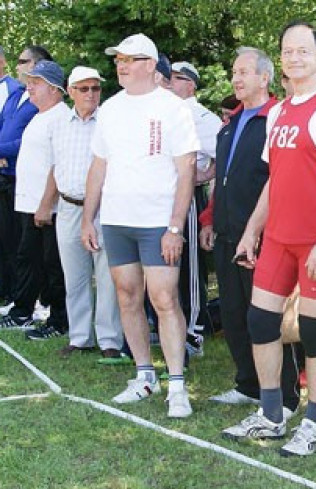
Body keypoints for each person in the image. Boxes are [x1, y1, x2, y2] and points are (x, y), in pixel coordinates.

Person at [222, 21, 316, 457]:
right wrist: (252, 231)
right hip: (279, 240)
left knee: (314, 330)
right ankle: (272, 414)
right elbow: (275, 181)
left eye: (303, 50)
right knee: (261, 323)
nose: (294, 57)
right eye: (287, 51)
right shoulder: (282, 110)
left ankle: (314, 422)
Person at [82, 33, 199, 418]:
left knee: (164, 299)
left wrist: (175, 227)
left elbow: (186, 172)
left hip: (157, 223)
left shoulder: (173, 109)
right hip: (117, 221)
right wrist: (89, 218)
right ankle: (144, 375)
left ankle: (177, 385)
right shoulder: (111, 110)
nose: (121, 65)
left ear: (150, 65)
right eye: (118, 59)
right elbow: (99, 166)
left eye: (129, 59)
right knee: (127, 296)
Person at [199, 47, 300, 411]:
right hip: (226, 236)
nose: (236, 79)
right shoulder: (228, 126)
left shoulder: (277, 120)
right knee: (233, 314)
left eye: (244, 72)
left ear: (264, 77)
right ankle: (248, 385)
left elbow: (281, 181)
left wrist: (260, 232)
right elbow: (221, 181)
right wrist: (209, 218)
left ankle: (285, 395)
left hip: (262, 238)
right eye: (234, 72)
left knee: (266, 318)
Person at [46, 66, 123, 358]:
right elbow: (56, 167)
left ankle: (110, 341)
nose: (91, 94)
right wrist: (48, 203)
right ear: (70, 91)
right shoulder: (59, 123)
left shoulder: (110, 122)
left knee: (106, 275)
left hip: (104, 207)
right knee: (74, 276)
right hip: (68, 206)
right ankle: (79, 337)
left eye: (95, 88)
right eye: (84, 89)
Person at [5, 60, 69, 339]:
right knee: (27, 259)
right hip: (28, 202)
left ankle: (58, 320)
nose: (29, 87)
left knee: (51, 264)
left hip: (46, 207)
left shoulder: (60, 117)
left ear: (54, 88)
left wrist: (45, 203)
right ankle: (22, 311)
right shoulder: (40, 116)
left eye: (36, 82)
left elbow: (58, 165)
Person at [171, 61, 221, 353]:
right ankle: (173, 326)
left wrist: (199, 176)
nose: (169, 83)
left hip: (188, 196)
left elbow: (222, 157)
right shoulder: (169, 112)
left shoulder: (201, 116)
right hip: (164, 196)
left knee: (189, 267)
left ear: (190, 85)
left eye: (176, 79)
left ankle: (194, 331)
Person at [0, 46, 51, 310]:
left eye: (23, 61)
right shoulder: (16, 96)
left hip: (29, 183)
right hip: (8, 178)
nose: (17, 66)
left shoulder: (43, 106)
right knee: (12, 243)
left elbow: (25, 142)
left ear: (37, 65)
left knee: (31, 247)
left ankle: (39, 301)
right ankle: (16, 295)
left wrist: (1, 152)